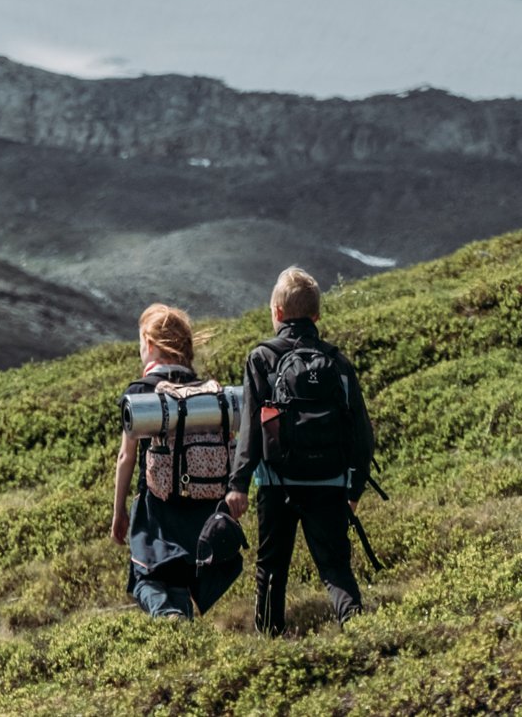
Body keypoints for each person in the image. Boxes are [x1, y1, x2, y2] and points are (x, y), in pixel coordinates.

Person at [222, 267, 373, 636]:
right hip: (330, 482)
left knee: (272, 568)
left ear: (277, 312)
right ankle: (360, 632)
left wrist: (238, 485)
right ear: (316, 315)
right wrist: (353, 489)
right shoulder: (337, 361)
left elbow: (251, 429)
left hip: (278, 484)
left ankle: (270, 641)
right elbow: (362, 433)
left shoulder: (262, 358)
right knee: (336, 568)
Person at [108, 304, 243, 619]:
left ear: (150, 344)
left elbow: (126, 456)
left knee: (145, 579)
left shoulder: (141, 392)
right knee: (180, 579)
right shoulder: (205, 392)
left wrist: (119, 511)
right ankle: (179, 628)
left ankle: (167, 614)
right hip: (203, 507)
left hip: (156, 506)